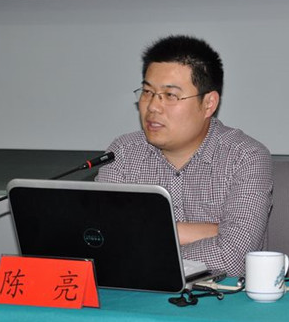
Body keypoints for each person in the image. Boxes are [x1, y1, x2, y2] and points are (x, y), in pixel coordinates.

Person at [96, 35, 273, 276]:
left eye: (170, 95)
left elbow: (234, 259)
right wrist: (207, 232)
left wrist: (142, 240)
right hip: (140, 294)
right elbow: (102, 243)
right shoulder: (123, 154)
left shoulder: (245, 157)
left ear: (208, 104)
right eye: (147, 92)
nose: (152, 106)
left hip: (220, 297)